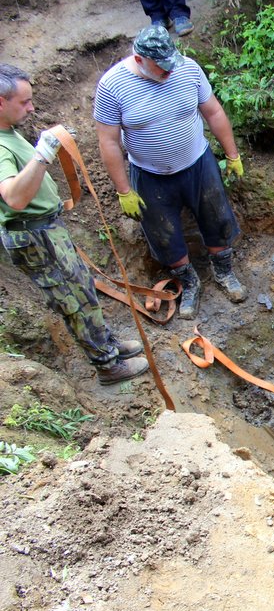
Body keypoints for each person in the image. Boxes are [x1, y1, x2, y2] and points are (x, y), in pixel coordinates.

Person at [0, 63, 149, 386]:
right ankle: (107, 366)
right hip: (32, 235)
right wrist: (42, 154)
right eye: (24, 102)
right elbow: (13, 197)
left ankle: (106, 343)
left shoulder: (7, 133)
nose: (31, 107)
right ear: (1, 102)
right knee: (70, 298)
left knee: (81, 285)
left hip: (45, 229)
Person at [93, 25, 246, 320]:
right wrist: (123, 190)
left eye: (170, 64)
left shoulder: (187, 69)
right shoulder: (112, 86)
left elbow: (213, 112)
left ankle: (223, 271)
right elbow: (108, 141)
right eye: (161, 67)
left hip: (198, 163)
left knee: (216, 217)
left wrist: (232, 154)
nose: (169, 72)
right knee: (164, 234)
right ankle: (188, 282)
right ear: (139, 59)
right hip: (150, 175)